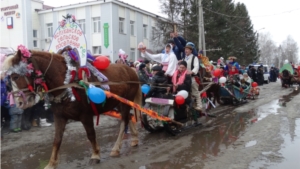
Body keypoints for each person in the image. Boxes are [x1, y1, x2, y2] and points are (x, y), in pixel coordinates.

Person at [182, 42, 202, 111]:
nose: (186, 50)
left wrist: (192, 72)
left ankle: (199, 106)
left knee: (195, 91)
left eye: (187, 49)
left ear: (191, 50)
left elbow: (196, 66)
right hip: (185, 78)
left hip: (192, 77)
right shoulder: (184, 58)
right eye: (185, 49)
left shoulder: (194, 57)